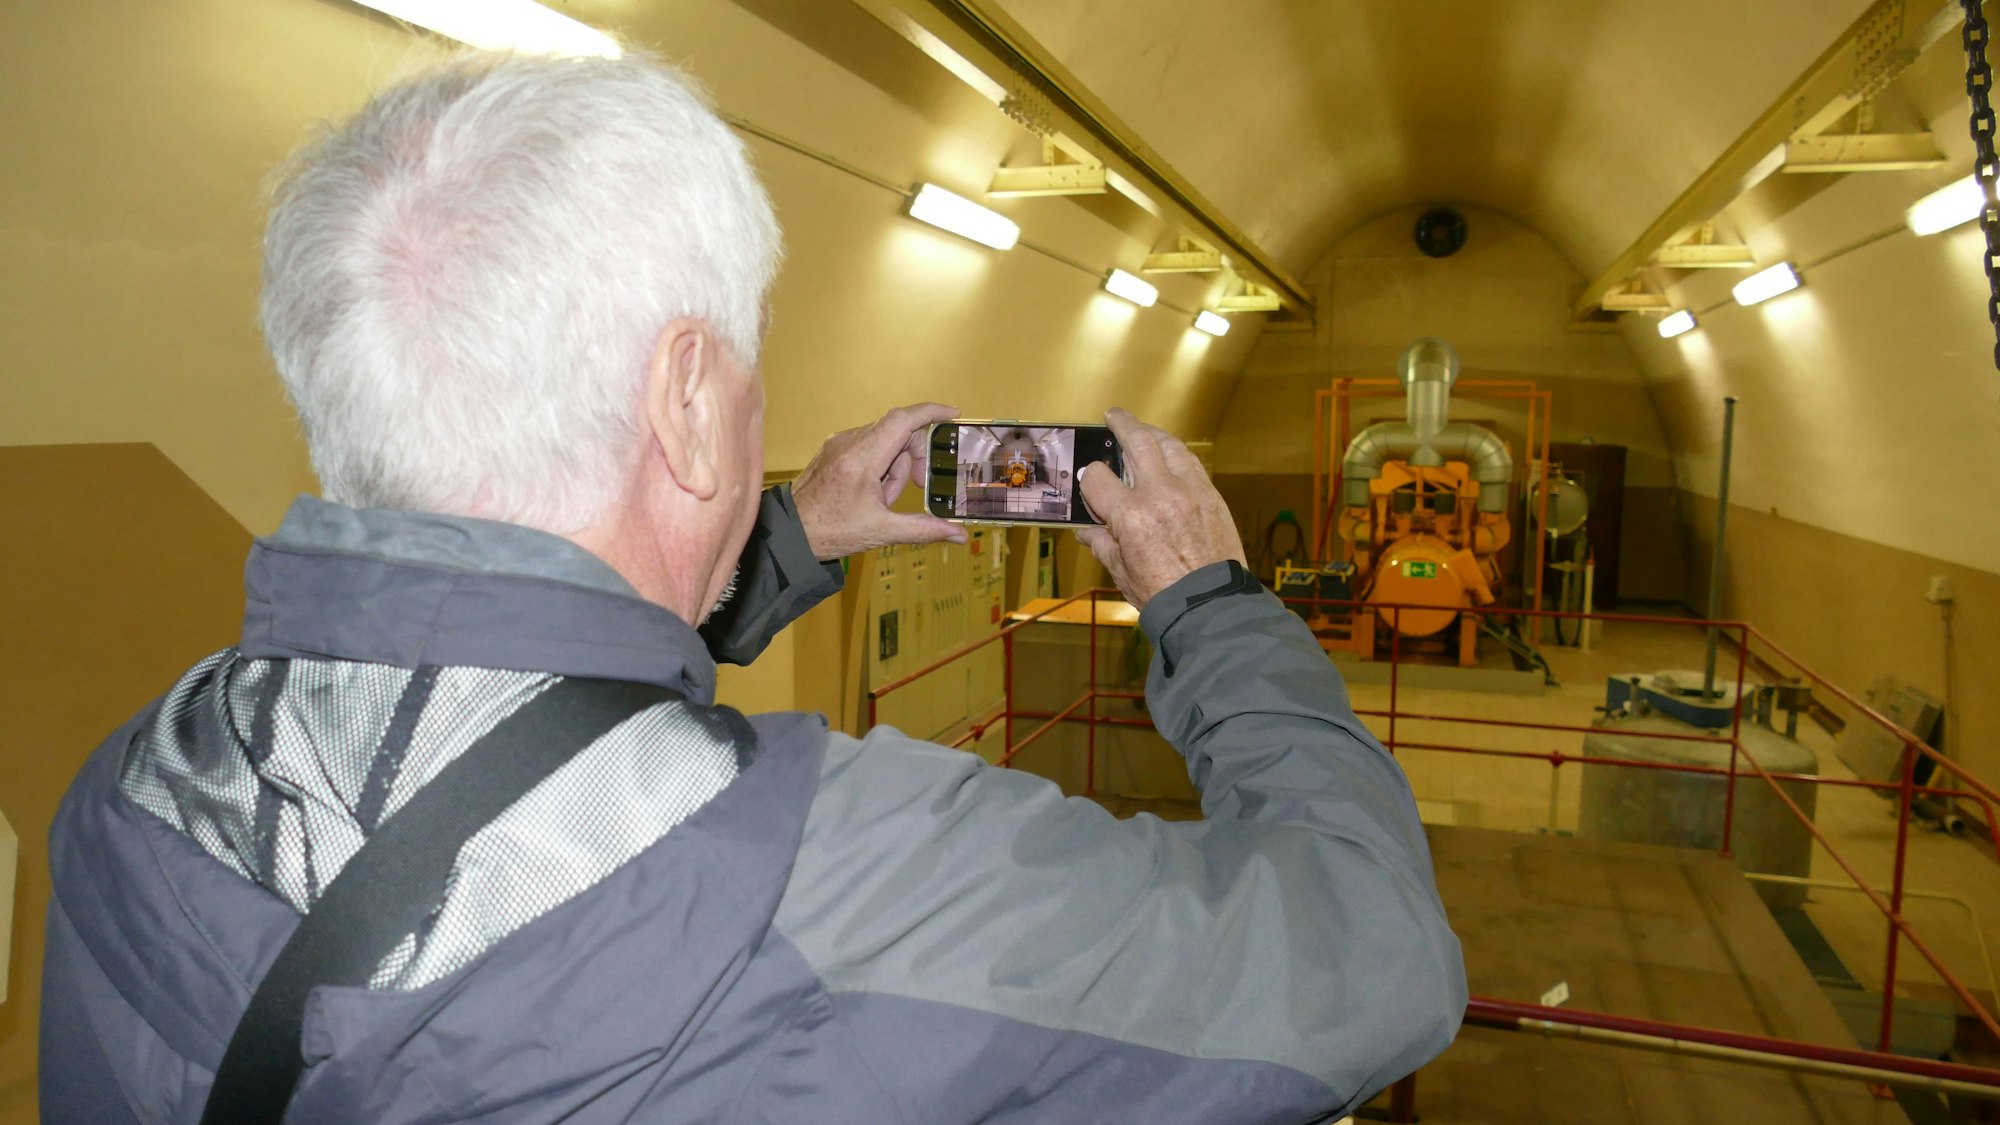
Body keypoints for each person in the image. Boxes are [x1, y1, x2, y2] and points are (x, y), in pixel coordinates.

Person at [40, 50, 1464, 1124]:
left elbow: (518, 711)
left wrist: (788, 533)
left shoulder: (127, 794)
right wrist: (1206, 603)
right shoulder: (839, 879)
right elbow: (1374, 949)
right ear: (686, 397)